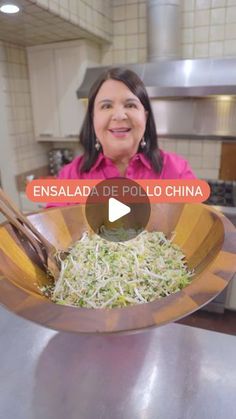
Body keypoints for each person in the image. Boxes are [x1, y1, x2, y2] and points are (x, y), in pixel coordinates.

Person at [47, 67, 195, 207]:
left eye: (130, 105)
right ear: (93, 118)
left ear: (145, 116)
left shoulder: (177, 172)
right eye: (106, 106)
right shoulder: (70, 177)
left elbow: (194, 227)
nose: (119, 116)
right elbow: (53, 230)